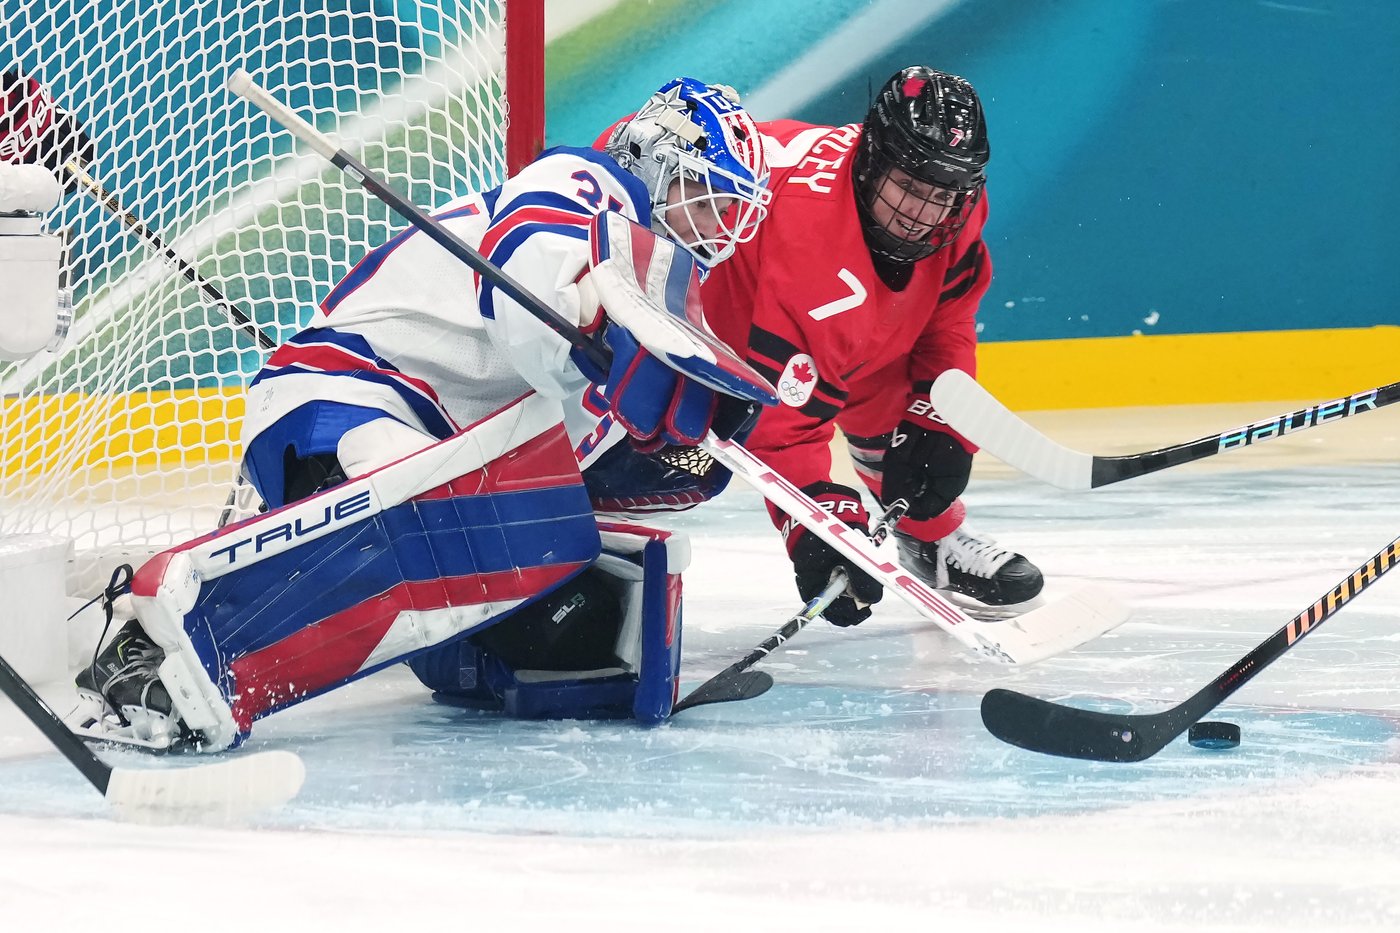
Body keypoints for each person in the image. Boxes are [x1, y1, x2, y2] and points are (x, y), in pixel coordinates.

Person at [71, 77, 775, 751]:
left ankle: (461, 654)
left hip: (433, 452)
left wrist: (659, 451)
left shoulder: (647, 292)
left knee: (577, 631)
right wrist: (596, 324)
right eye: (706, 197)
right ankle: (151, 641)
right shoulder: (587, 186)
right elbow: (531, 293)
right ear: (654, 159)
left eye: (729, 210)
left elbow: (562, 459)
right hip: (344, 394)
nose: (717, 228)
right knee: (417, 525)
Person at [697, 66, 1045, 626]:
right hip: (703, 284)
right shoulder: (813, 247)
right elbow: (782, 424)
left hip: (803, 293)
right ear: (871, 159)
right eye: (910, 187)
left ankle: (929, 539)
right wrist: (820, 527)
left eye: (942, 194)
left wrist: (940, 415)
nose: (924, 215)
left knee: (902, 387)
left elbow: (947, 317)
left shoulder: (956, 206)